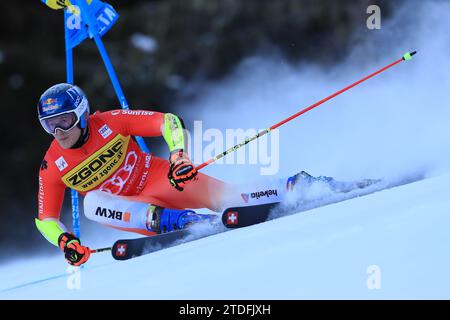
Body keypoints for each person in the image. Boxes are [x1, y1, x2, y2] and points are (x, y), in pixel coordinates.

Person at [36, 83, 374, 267]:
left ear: (81, 115)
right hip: (133, 210)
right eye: (49, 125)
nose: (58, 131)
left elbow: (166, 121)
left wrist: (179, 156)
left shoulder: (108, 121)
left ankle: (300, 186)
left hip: (162, 179)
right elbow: (45, 219)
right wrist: (67, 242)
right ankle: (180, 221)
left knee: (230, 198)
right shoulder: (53, 162)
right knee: (93, 202)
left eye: (64, 120)